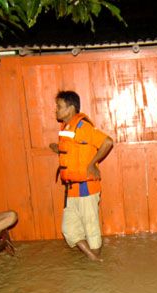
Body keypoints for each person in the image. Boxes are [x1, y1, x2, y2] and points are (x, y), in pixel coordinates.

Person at [49, 90, 113, 261]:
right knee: (68, 229)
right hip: (71, 190)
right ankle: (94, 259)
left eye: (59, 106)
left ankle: (96, 271)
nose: (55, 110)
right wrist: (57, 147)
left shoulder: (83, 127)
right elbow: (72, 150)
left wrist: (92, 164)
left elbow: (107, 142)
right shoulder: (66, 128)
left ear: (70, 108)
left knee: (91, 230)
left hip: (86, 188)